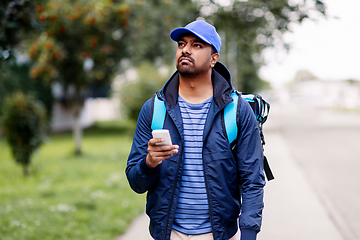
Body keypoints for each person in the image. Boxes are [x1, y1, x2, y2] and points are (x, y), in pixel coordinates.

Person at [126, 20, 265, 240]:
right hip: (168, 234)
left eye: (197, 45)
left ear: (214, 59)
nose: (186, 50)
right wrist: (149, 163)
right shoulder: (154, 109)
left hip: (216, 235)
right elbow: (136, 183)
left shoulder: (237, 110)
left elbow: (252, 180)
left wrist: (248, 235)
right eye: (182, 44)